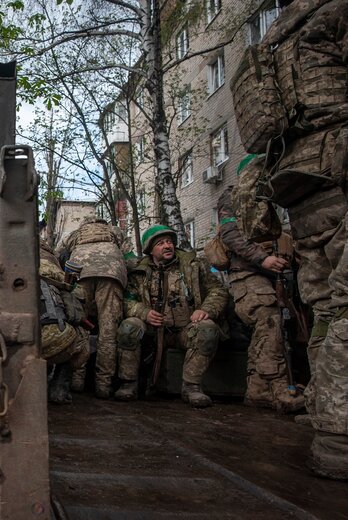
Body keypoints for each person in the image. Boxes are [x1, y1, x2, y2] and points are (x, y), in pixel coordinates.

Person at [231, 0, 348, 479]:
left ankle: (328, 423)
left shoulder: (274, 39)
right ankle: (339, 436)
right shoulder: (334, 14)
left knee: (328, 310)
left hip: (302, 191)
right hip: (338, 172)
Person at [117, 225, 229, 407]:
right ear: (150, 250)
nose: (167, 246)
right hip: (152, 333)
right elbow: (126, 300)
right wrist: (143, 313)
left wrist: (206, 309)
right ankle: (128, 383)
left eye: (169, 242)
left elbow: (218, 290)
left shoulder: (193, 265)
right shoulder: (139, 272)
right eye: (160, 243)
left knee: (207, 329)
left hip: (186, 331)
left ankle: (192, 387)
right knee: (129, 327)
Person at [217, 186, 304, 413]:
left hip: (274, 275)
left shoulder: (272, 192)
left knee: (272, 329)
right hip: (247, 273)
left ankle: (258, 388)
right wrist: (261, 258)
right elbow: (229, 233)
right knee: (269, 320)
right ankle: (277, 386)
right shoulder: (235, 194)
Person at [56, 217, 126, 399]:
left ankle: (77, 380)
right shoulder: (114, 230)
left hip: (80, 272)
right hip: (111, 273)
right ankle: (103, 385)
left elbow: (58, 253)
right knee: (108, 331)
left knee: (81, 325)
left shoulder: (76, 233)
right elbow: (127, 252)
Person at [39, 224, 91, 404]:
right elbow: (78, 312)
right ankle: (59, 389)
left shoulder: (8, 263)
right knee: (82, 336)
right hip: (55, 339)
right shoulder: (56, 271)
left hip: (13, 345)